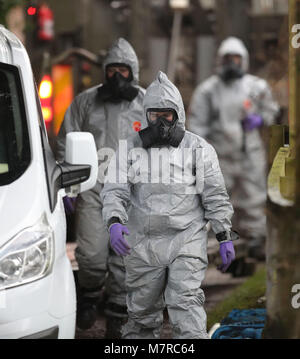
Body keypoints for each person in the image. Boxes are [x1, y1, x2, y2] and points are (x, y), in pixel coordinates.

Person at [101, 71, 237, 339]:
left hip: (186, 239)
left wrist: (224, 235)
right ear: (146, 115)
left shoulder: (198, 148)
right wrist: (115, 222)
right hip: (142, 243)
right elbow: (114, 189)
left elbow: (215, 195)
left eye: (167, 114)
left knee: (186, 307)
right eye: (155, 115)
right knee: (141, 316)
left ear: (178, 114)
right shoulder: (129, 149)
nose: (161, 121)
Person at [55, 38, 146, 337]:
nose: (116, 76)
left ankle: (119, 314)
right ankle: (90, 294)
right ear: (104, 72)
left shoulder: (147, 103)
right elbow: (65, 142)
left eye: (123, 69)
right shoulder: (85, 102)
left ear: (133, 71)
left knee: (126, 256)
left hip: (133, 193)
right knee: (92, 255)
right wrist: (67, 186)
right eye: (111, 70)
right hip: (93, 188)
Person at [188, 37, 279, 260]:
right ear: (220, 60)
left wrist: (260, 119)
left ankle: (255, 239)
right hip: (219, 157)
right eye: (228, 59)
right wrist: (203, 154)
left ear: (244, 60)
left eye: (237, 58)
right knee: (215, 199)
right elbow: (196, 125)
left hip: (250, 153)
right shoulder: (207, 91)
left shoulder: (256, 87)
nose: (232, 63)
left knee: (254, 197)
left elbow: (272, 111)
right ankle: (214, 242)